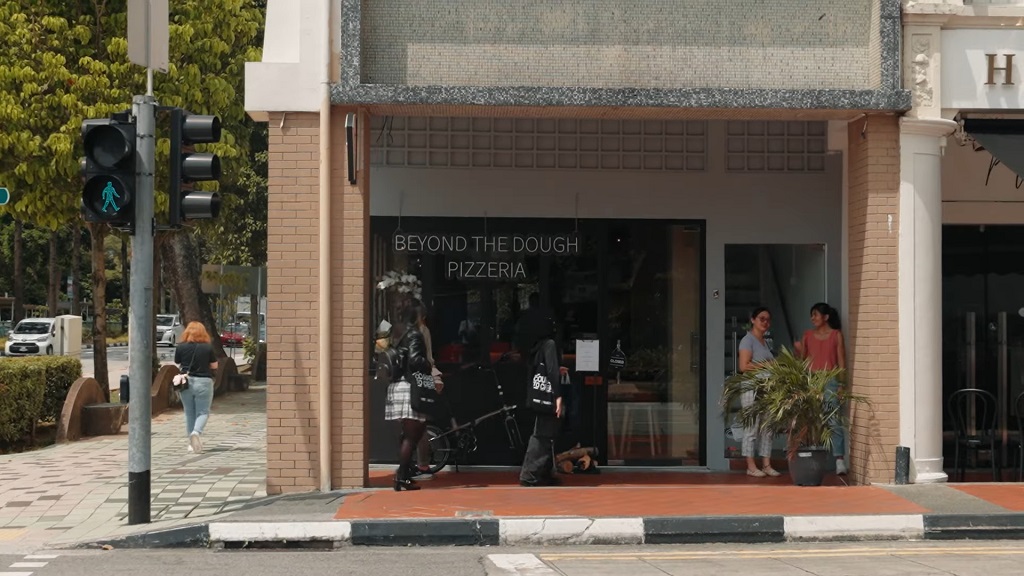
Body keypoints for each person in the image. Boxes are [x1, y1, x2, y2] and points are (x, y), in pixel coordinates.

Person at [794, 302, 848, 475]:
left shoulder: (836, 335)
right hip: (812, 380)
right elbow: (802, 360)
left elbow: (841, 361)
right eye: (812, 315)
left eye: (816, 314)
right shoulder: (807, 335)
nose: (813, 318)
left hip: (831, 380)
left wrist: (841, 385)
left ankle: (839, 459)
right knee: (810, 420)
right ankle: (809, 457)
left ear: (825, 317)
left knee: (834, 420)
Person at [385, 300, 433, 491]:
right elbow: (415, 360)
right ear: (416, 316)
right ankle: (401, 477)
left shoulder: (393, 330)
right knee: (413, 435)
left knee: (409, 434)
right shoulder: (414, 333)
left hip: (396, 385)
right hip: (410, 386)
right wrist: (428, 365)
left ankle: (405, 475)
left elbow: (379, 347)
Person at [519, 314, 564, 487]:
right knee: (543, 435)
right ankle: (530, 474)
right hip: (548, 396)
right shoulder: (550, 345)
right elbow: (551, 371)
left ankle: (544, 472)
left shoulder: (536, 346)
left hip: (537, 395)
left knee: (544, 433)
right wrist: (558, 396)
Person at [738, 306, 780, 478]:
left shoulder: (766, 342)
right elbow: (744, 366)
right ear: (753, 320)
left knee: (768, 427)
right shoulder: (747, 341)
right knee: (751, 427)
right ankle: (751, 465)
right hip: (752, 388)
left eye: (768, 320)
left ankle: (766, 464)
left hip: (767, 388)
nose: (765, 322)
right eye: (761, 318)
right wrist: (766, 365)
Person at [175, 321, 218, 455]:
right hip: (204, 382)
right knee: (203, 412)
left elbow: (177, 362)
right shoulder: (207, 348)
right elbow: (214, 366)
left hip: (185, 382)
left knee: (189, 412)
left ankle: (191, 444)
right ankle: (196, 432)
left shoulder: (181, 347)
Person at [411, 302, 443, 481]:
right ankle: (420, 463)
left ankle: (417, 463)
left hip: (410, 380)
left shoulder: (416, 331)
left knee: (414, 425)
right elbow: (428, 358)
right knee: (418, 424)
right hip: (418, 380)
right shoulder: (421, 331)